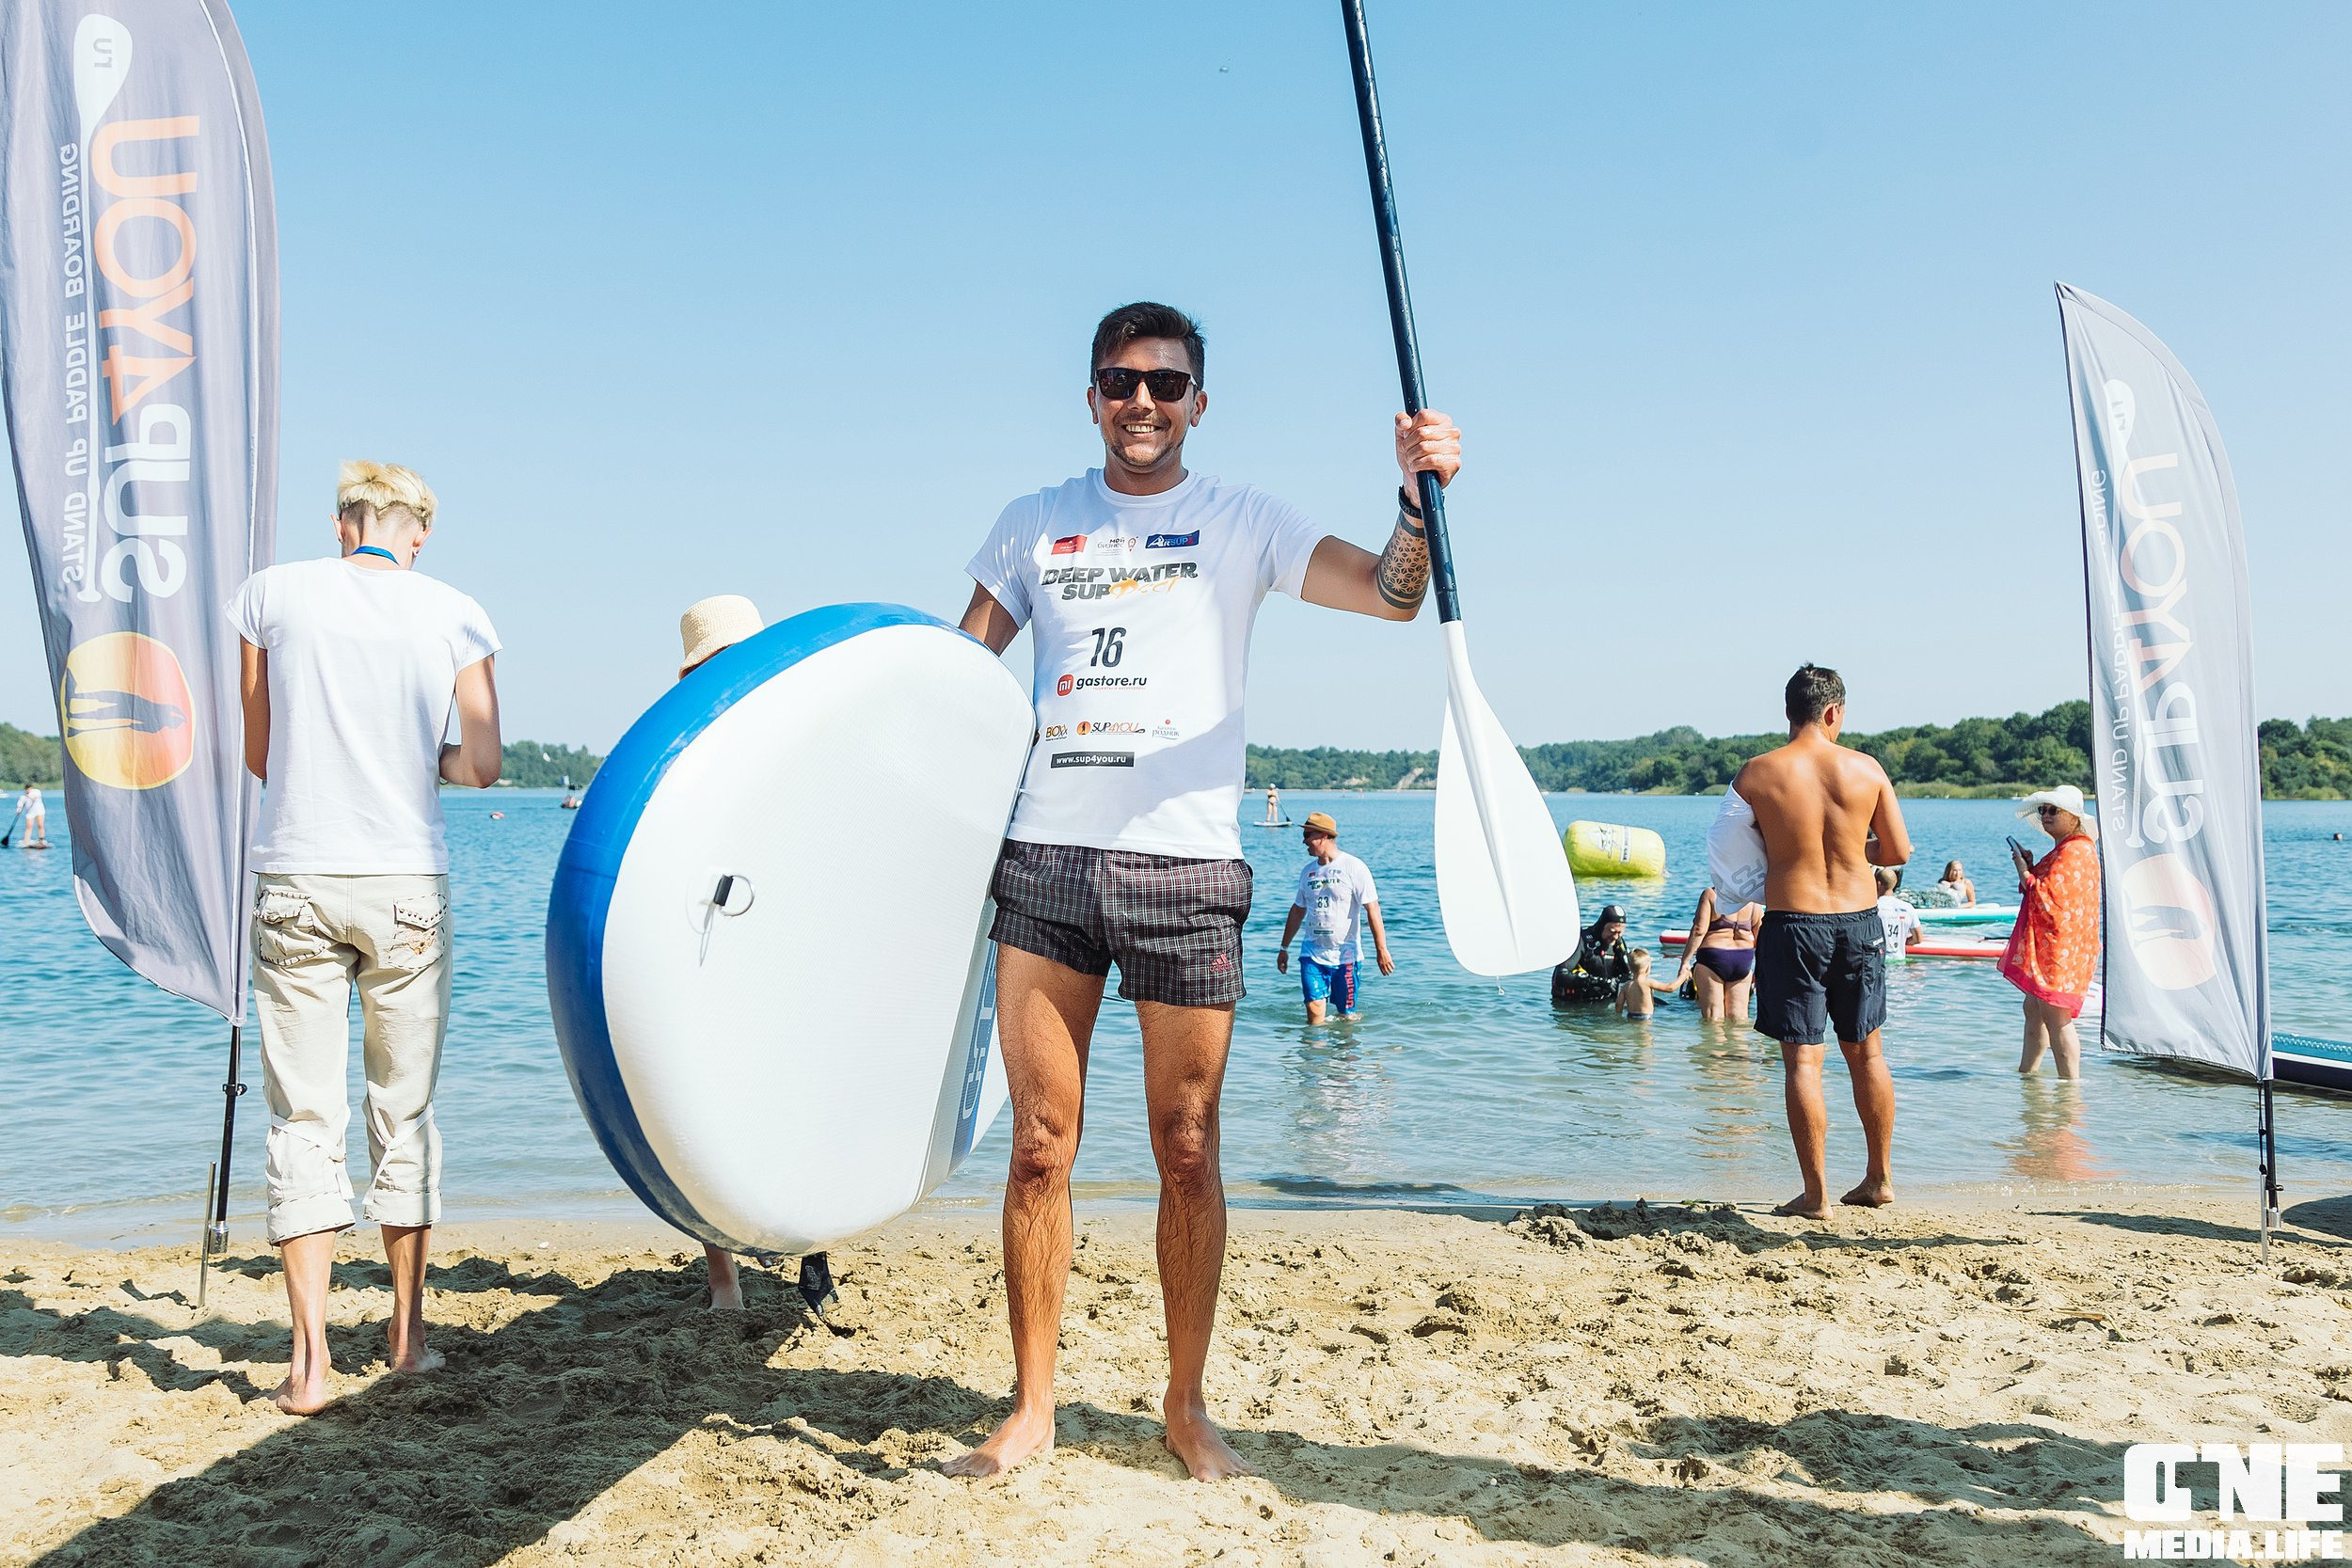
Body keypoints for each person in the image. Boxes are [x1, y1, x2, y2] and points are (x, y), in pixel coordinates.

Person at [947, 301, 1454, 1481]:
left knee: (1185, 1147)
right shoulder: (1034, 523)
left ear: (1197, 403)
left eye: (1165, 385)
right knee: (1038, 1148)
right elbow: (954, 678)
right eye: (1121, 382)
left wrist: (1414, 501)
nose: (1142, 403)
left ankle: (1183, 1404)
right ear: (1090, 396)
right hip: (1046, 866)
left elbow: (1390, 594)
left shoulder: (1243, 521)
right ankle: (1032, 1406)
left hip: (1187, 868)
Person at [228, 461, 501, 1414]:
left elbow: (261, 751)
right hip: (405, 885)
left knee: (304, 1116)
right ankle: (408, 1334)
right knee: (405, 1111)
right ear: (414, 532)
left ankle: (308, 1364)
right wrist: (416, 752)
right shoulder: (456, 611)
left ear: (344, 523)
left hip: (296, 869)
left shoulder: (270, 596)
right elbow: (483, 764)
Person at [675, 594, 836, 1317]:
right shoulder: (680, 748)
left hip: (784, 938)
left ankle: (815, 1257)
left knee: (800, 1088)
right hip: (711, 935)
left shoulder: (791, 728)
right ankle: (725, 1281)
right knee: (706, 1096)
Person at [1721, 664, 1911, 1220]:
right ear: (1834, 712)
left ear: (1788, 712)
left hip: (1793, 923)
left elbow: (1729, 855)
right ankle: (1879, 1178)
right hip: (1858, 922)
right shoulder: (1866, 769)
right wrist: (1855, 851)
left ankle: (1816, 1195)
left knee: (1804, 1063)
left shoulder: (1757, 774)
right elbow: (1897, 851)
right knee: (1867, 1053)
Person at [1999, 785, 2102, 1079]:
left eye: (2053, 810)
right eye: (2042, 809)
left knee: (2056, 1015)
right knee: (2033, 1007)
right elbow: (2046, 891)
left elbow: (2047, 898)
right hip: (2059, 944)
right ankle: (2027, 1075)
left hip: (2063, 947)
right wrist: (2031, 867)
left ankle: (2069, 1086)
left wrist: (2023, 871)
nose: (2045, 815)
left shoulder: (2075, 850)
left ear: (2073, 816)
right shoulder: (2066, 848)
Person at [1274, 811, 1393, 1023]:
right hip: (1312, 953)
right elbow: (1297, 910)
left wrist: (1381, 950)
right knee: (1314, 1013)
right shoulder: (1307, 872)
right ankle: (1314, 1054)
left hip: (1346, 957)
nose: (1304, 842)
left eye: (1308, 835)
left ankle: (1344, 1055)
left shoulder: (1354, 867)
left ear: (1323, 836)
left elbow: (1372, 909)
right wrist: (1284, 948)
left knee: (1346, 1017)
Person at [1669, 887, 1762, 1022]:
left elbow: (1698, 930)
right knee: (1739, 1017)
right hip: (1743, 959)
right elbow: (1761, 936)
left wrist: (1685, 961)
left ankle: (1714, 1044)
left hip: (1713, 958)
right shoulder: (1754, 901)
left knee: (1713, 1017)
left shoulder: (1711, 894)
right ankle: (1740, 1044)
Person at [1551, 905, 1633, 1006]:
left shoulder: (1618, 943)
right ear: (1602, 925)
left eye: (1619, 933)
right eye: (1612, 932)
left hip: (1604, 1001)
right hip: (1575, 1004)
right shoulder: (1581, 941)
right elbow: (1560, 977)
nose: (1616, 936)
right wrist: (1600, 982)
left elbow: (1629, 973)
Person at [1873, 867, 1929, 956]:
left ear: (1878, 884)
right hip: (1899, 962)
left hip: (1879, 964)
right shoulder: (1908, 908)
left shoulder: (1873, 908)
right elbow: (1918, 939)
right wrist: (1901, 941)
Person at [1614, 948, 1677, 1019]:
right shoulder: (1648, 982)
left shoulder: (1626, 985)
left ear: (1630, 968)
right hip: (1645, 1017)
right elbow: (1670, 988)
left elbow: (1618, 1004)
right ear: (1648, 968)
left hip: (1630, 1016)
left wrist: (1618, 1017)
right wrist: (1683, 976)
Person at [8, 783, 46, 847]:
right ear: (26, 789)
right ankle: (26, 841)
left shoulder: (37, 792)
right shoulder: (23, 797)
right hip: (30, 813)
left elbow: (34, 798)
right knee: (29, 827)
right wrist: (18, 810)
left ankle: (41, 840)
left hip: (39, 811)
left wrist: (28, 796)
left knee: (40, 825)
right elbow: (20, 805)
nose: (29, 790)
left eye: (30, 788)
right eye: (27, 789)